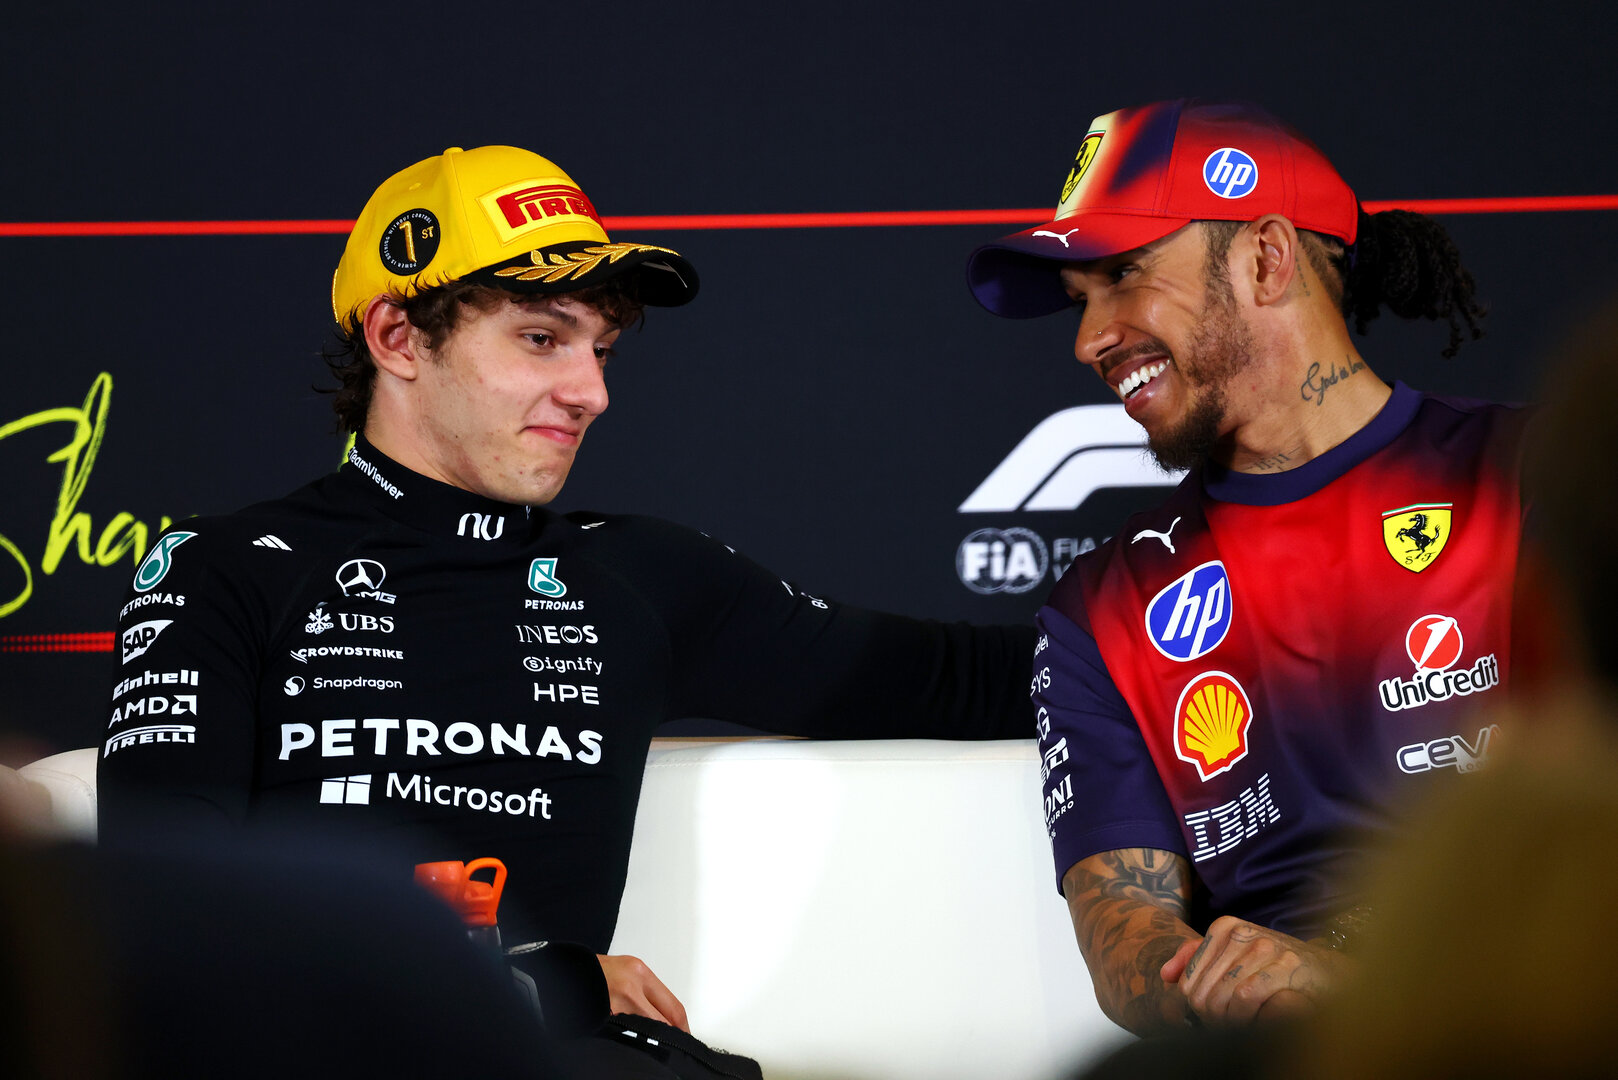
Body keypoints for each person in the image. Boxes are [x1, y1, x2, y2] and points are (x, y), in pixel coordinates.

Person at [98, 145, 1034, 1071]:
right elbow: (163, 937)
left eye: (603, 350)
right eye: (542, 338)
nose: (591, 392)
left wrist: (1177, 599)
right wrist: (540, 982)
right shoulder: (222, 570)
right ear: (396, 337)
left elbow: (967, 680)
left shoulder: (641, 575)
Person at [965, 98, 1528, 1035]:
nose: (1087, 338)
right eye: (1079, 301)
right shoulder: (1105, 604)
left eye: (1122, 276)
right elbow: (1124, 935)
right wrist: (1235, 987)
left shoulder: (1540, 477)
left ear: (1266, 258)